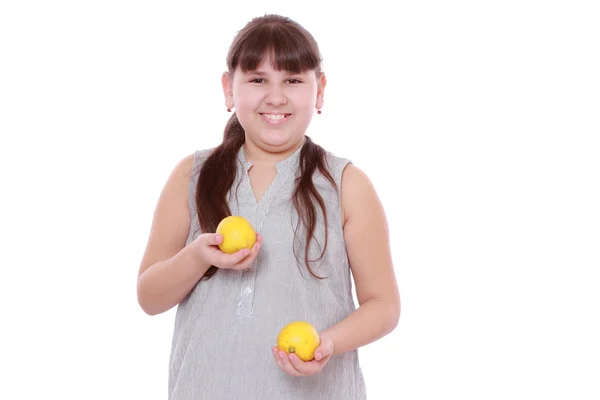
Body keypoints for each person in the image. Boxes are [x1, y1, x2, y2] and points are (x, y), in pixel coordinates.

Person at [137, 13, 400, 400]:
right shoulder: (191, 175)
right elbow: (149, 296)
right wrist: (197, 256)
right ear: (229, 89)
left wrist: (327, 342)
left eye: (293, 80)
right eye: (258, 79)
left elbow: (384, 305)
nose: (275, 97)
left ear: (320, 90)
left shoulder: (347, 185)